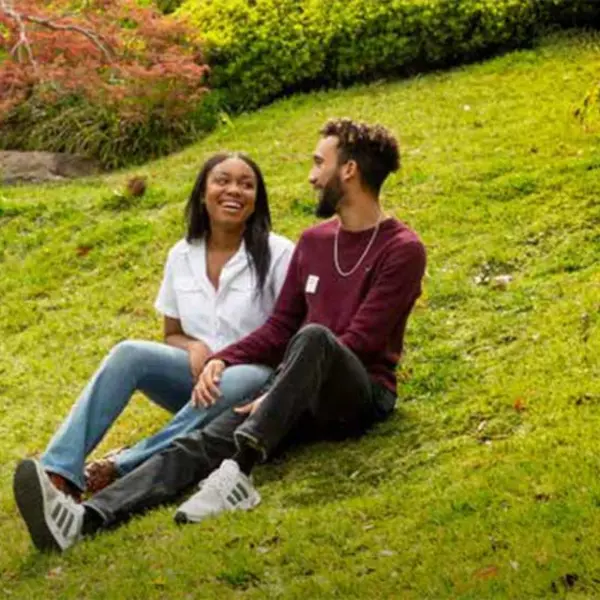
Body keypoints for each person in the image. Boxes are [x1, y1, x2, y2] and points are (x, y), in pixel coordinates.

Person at [13, 118, 426, 552]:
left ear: (349, 171)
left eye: (318, 163)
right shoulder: (315, 241)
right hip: (292, 396)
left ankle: (239, 474)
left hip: (359, 395)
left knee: (317, 337)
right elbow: (280, 327)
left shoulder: (401, 249)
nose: (310, 176)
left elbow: (361, 341)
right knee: (194, 445)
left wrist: (278, 390)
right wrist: (222, 359)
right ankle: (82, 520)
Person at [30, 152, 294, 502]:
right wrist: (193, 347)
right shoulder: (181, 255)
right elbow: (171, 332)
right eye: (222, 181)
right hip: (197, 383)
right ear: (203, 192)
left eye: (247, 185)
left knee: (236, 379)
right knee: (129, 354)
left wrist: (226, 361)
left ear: (257, 200)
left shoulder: (279, 253)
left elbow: (290, 330)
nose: (234, 190)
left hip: (251, 384)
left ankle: (122, 466)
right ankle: (59, 472)